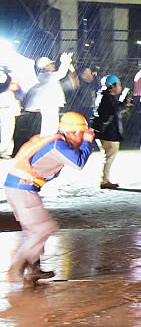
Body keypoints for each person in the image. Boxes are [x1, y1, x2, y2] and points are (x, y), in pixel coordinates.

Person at [4, 112, 96, 285]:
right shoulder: (57, 145)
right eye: (81, 133)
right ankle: (15, 270)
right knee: (43, 228)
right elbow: (78, 163)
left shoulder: (56, 141)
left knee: (35, 230)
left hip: (22, 187)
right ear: (73, 132)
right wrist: (87, 142)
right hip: (21, 189)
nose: (83, 136)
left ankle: (33, 269)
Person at [92, 75, 132, 189]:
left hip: (103, 131)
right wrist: (124, 102)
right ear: (111, 86)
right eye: (118, 84)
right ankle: (105, 180)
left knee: (107, 156)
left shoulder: (103, 96)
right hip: (109, 133)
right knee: (109, 157)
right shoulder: (107, 98)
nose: (120, 86)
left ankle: (105, 179)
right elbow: (115, 110)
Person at [21, 53, 73, 135]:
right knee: (51, 125)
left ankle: (47, 140)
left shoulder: (41, 76)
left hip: (47, 103)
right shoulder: (48, 76)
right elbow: (62, 73)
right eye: (51, 64)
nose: (53, 65)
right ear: (46, 67)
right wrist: (65, 61)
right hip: (49, 103)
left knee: (48, 124)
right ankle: (49, 142)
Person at [0, 80, 20, 159]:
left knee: (7, 132)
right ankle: (4, 151)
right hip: (5, 110)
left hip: (8, 111)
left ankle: (5, 152)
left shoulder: (10, 94)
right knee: (6, 131)